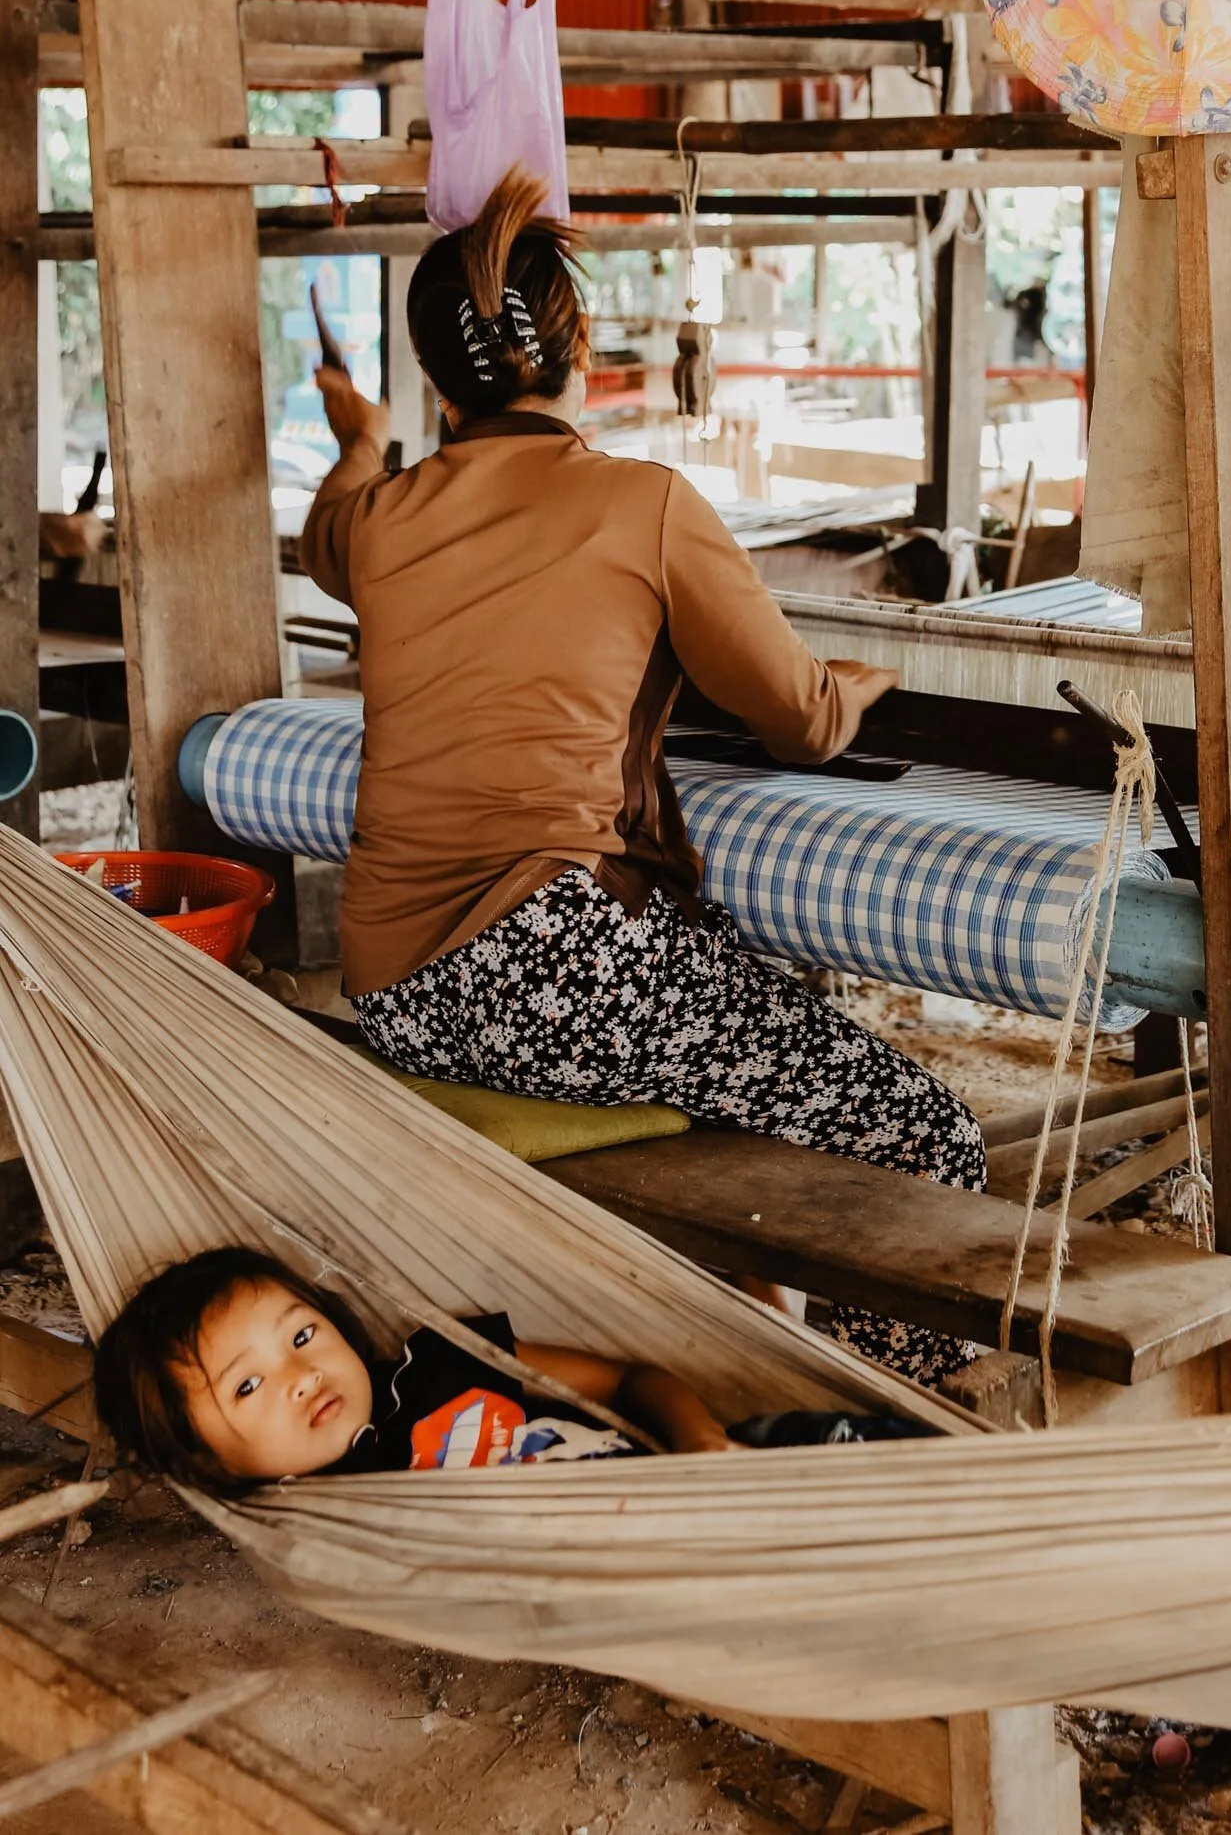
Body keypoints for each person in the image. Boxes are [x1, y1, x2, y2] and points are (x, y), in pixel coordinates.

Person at [299, 169, 986, 1385]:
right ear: (577, 354)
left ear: (438, 388)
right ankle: (893, 1427)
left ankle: (765, 1355)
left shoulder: (383, 517)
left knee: (761, 1034)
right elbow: (804, 724)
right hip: (543, 969)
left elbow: (328, 525)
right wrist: (864, 681)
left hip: (390, 985)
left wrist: (358, 438)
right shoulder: (644, 503)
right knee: (925, 1134)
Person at [93, 1248, 928, 1497]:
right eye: (247, 1386)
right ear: (202, 1465)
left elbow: (632, 1381)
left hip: (703, 1472)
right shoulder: (318, 1524)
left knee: (901, 1460)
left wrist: (700, 1444)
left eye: (303, 1334)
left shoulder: (441, 1365)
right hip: (654, 1559)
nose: (301, 1375)